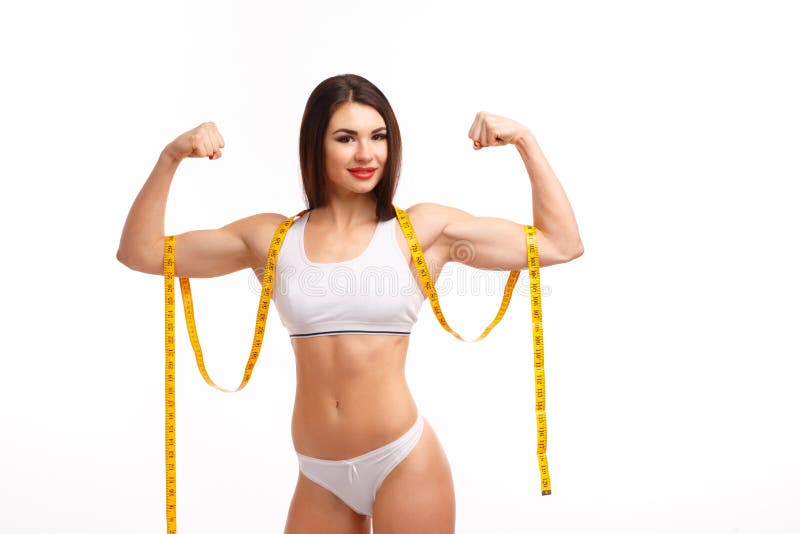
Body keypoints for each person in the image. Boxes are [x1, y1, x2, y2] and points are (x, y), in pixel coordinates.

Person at [116, 73, 583, 534]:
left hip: (403, 461)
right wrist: (170, 157)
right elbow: (140, 253)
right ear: (315, 145)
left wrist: (525, 141)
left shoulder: (422, 231)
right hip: (319, 475)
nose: (366, 154)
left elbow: (560, 244)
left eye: (378, 137)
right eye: (346, 138)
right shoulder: (272, 239)